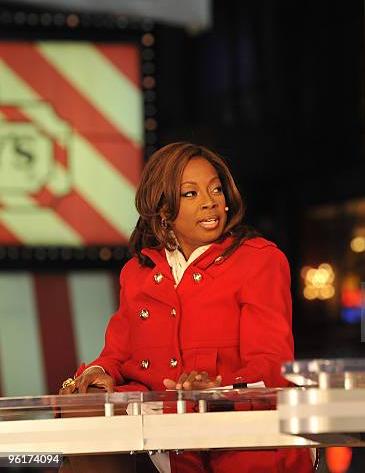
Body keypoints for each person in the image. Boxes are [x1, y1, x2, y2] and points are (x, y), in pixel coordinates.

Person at [59, 142, 314, 473]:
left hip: (237, 432)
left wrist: (218, 388)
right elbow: (117, 354)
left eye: (216, 190)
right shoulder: (137, 273)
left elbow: (271, 364)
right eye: (191, 194)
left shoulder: (259, 260)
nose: (211, 202)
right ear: (163, 209)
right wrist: (98, 374)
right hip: (160, 433)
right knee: (83, 413)